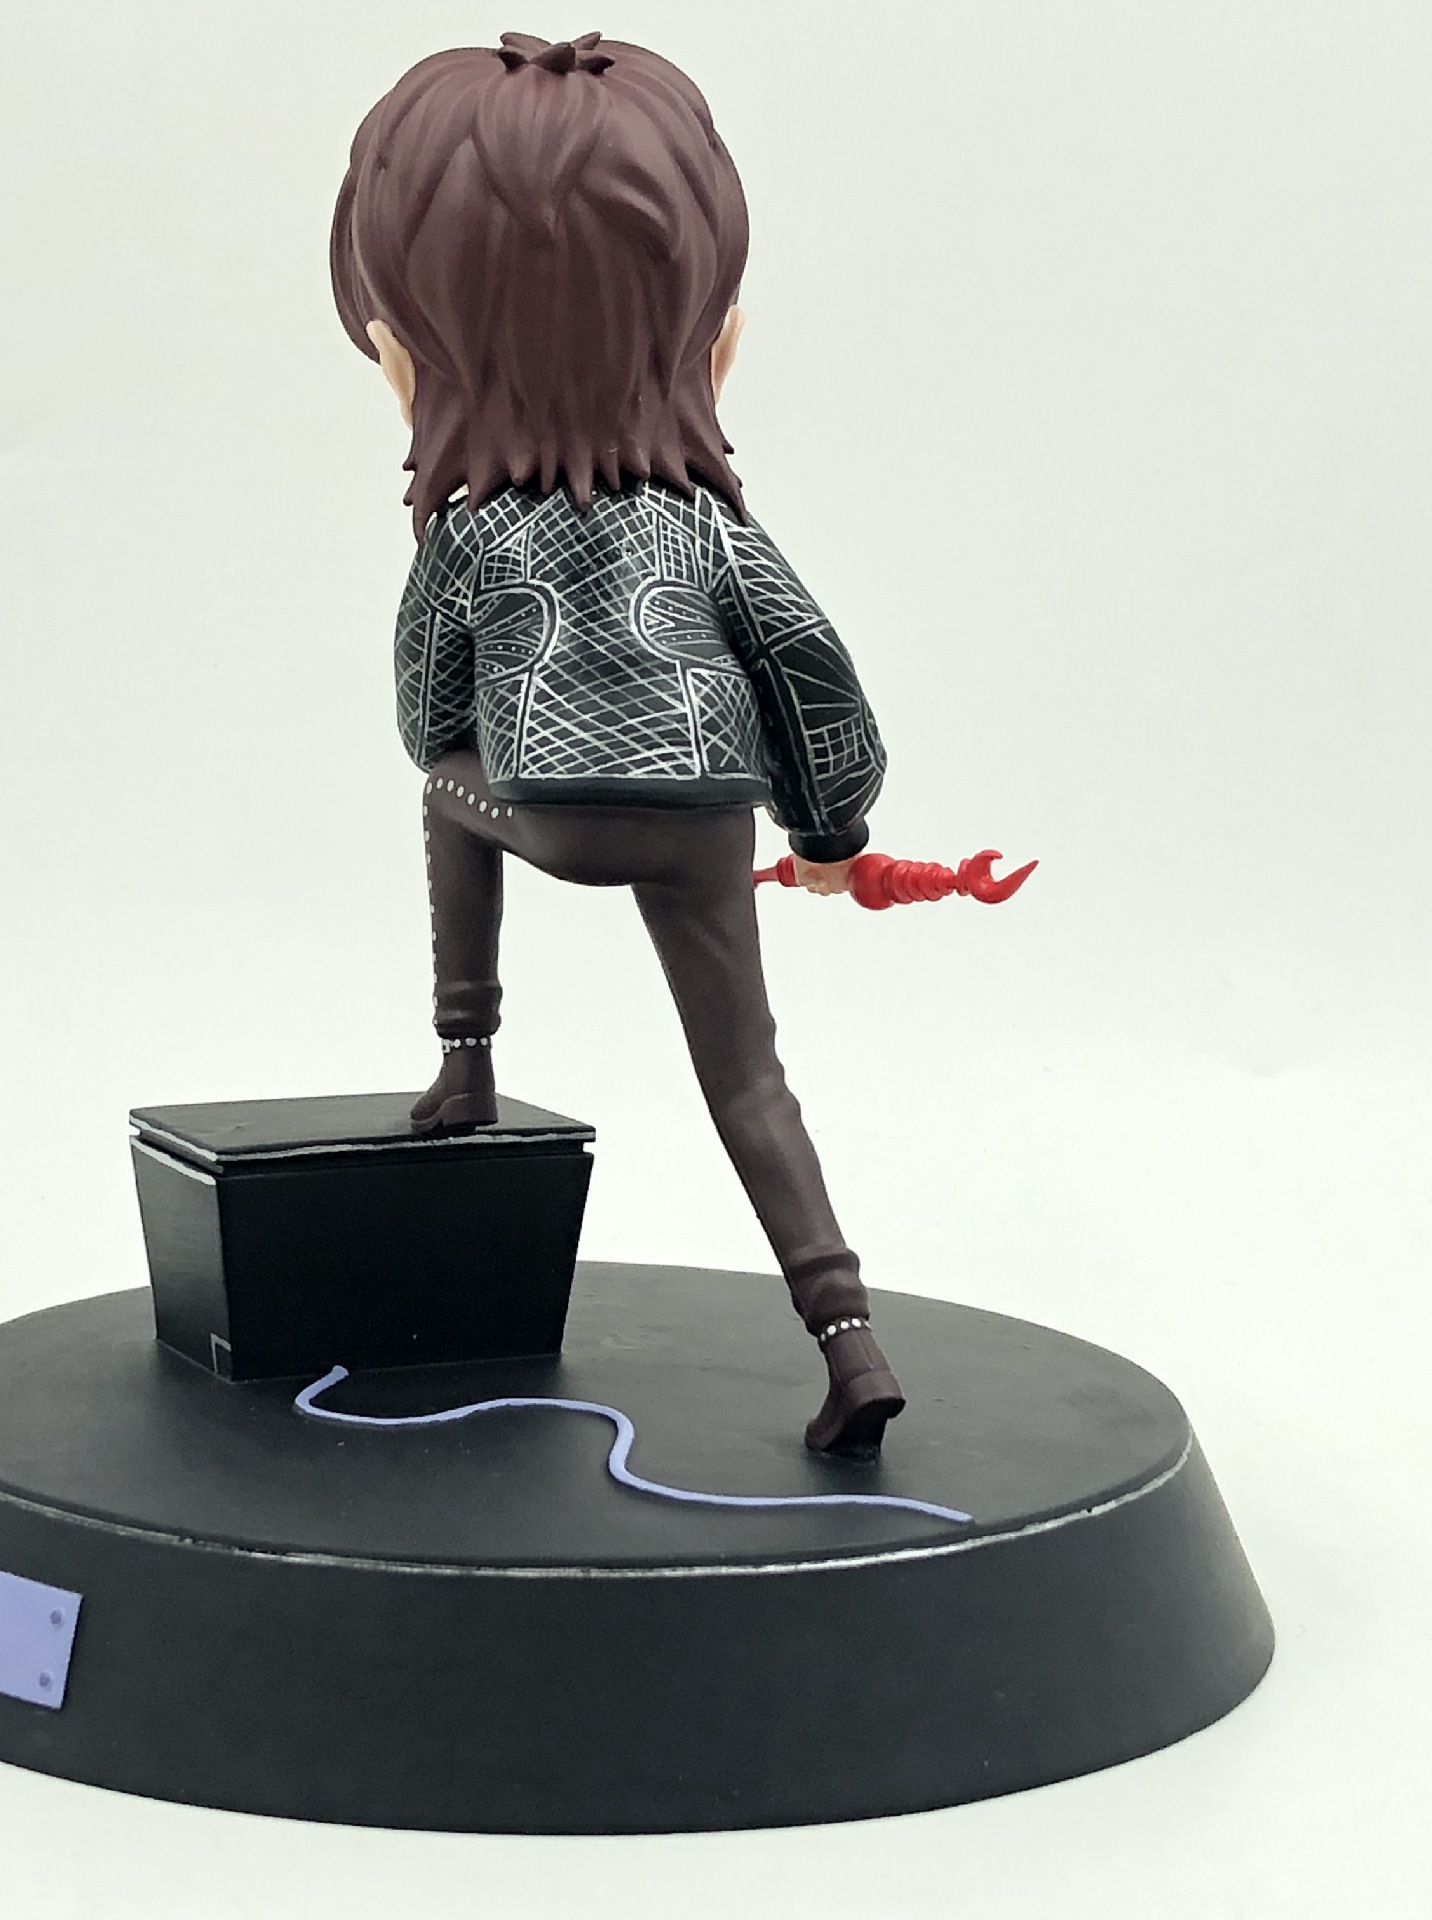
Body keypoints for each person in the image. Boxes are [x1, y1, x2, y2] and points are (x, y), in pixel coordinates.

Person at [329, 31, 903, 1456]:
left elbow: (423, 716)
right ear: (716, 342)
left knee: (441, 791)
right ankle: (848, 1338)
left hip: (551, 816)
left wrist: (497, 727)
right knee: (750, 1079)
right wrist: (831, 834)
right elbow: (815, 678)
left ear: (406, 360)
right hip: (707, 817)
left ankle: (465, 1058)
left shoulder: (473, 535)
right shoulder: (712, 530)